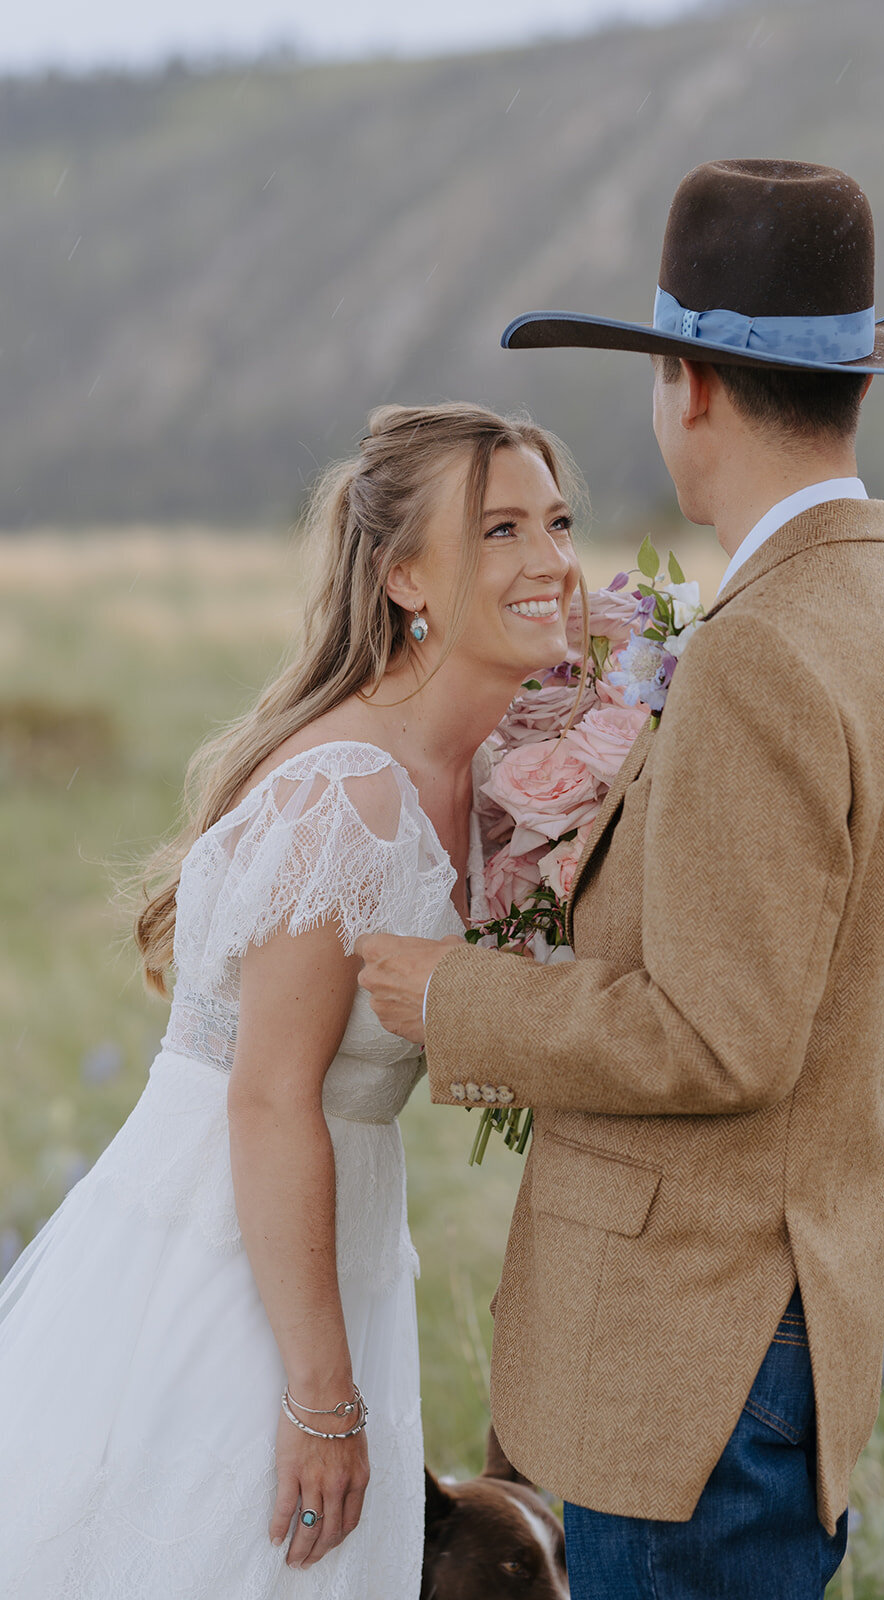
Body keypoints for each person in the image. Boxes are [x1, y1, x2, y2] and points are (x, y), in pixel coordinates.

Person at [354, 160, 884, 1599]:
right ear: (852, 384)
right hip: (794, 1342)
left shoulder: (761, 648)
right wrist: (786, 1148)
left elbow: (715, 1032)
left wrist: (452, 996)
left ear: (689, 387)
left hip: (685, 1367)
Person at [0, 401, 583, 1598]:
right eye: (502, 530)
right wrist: (320, 1394)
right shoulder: (351, 793)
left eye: (558, 522)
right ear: (406, 577)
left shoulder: (496, 773)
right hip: (223, 1258)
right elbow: (267, 1099)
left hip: (340, 1242)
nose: (551, 562)